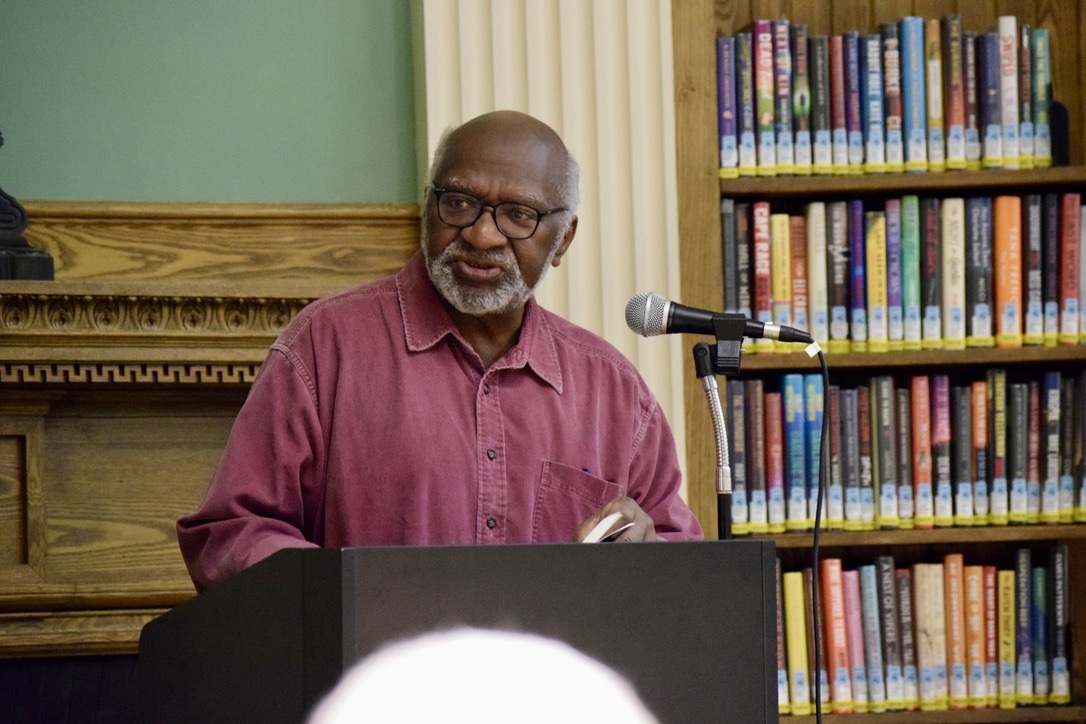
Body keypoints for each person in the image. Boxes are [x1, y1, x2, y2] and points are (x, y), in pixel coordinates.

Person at [177, 110, 703, 591]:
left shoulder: (611, 389)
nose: (479, 235)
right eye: (458, 203)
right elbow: (231, 536)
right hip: (376, 686)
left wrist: (649, 552)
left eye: (517, 215)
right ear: (427, 209)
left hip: (549, 693)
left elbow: (680, 564)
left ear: (562, 240)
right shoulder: (324, 347)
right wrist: (357, 605)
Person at [306, 627, 660, 723]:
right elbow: (258, 530)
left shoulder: (631, 439)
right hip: (385, 695)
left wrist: (649, 550)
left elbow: (669, 535)